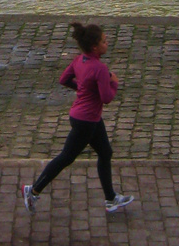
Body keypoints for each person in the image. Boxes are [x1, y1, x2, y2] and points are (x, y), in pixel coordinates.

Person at [23, 21, 134, 215]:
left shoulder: (78, 60)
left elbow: (63, 80)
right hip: (86, 121)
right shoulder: (100, 68)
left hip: (84, 117)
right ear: (95, 47)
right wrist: (114, 83)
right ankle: (33, 191)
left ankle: (110, 198)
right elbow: (106, 98)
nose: (107, 43)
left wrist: (82, 89)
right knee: (66, 157)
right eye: (104, 41)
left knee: (105, 152)